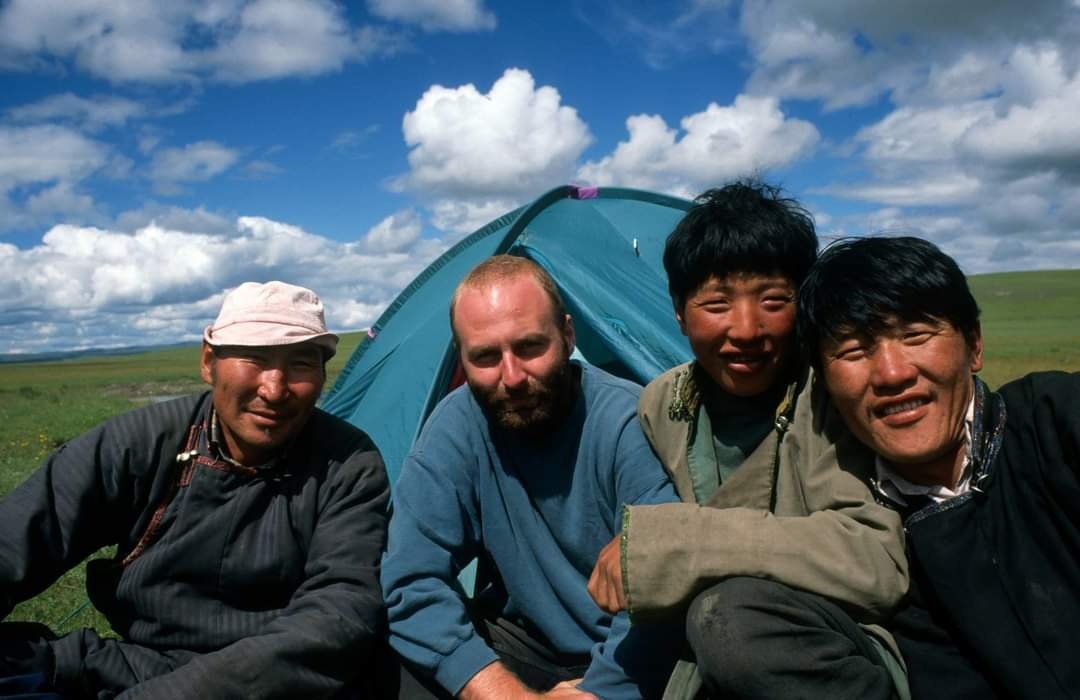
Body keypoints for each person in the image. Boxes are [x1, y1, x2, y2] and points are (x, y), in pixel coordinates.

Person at [586, 182, 909, 699]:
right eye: (717, 303)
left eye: (773, 300)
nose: (746, 329)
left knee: (728, 618)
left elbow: (875, 562)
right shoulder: (664, 405)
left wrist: (683, 542)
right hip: (706, 662)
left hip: (829, 651)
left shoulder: (826, 395)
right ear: (679, 313)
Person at [0, 281, 389, 699]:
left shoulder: (348, 464)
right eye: (254, 359)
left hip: (272, 682)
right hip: (134, 665)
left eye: (301, 364)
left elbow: (336, 615)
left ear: (322, 374)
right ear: (209, 362)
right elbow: (20, 535)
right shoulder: (142, 441)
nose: (274, 389)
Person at [381, 255, 681, 700]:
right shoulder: (457, 426)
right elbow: (409, 579)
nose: (512, 377)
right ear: (461, 358)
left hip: (630, 655)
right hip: (521, 647)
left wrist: (597, 691)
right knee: (382, 656)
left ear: (567, 335)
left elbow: (668, 581)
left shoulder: (626, 420)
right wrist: (504, 693)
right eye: (485, 356)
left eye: (529, 347)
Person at [798, 236, 1079, 699]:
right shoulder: (854, 537)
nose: (892, 374)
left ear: (974, 346)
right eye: (853, 351)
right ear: (824, 385)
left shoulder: (1057, 421)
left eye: (915, 336)